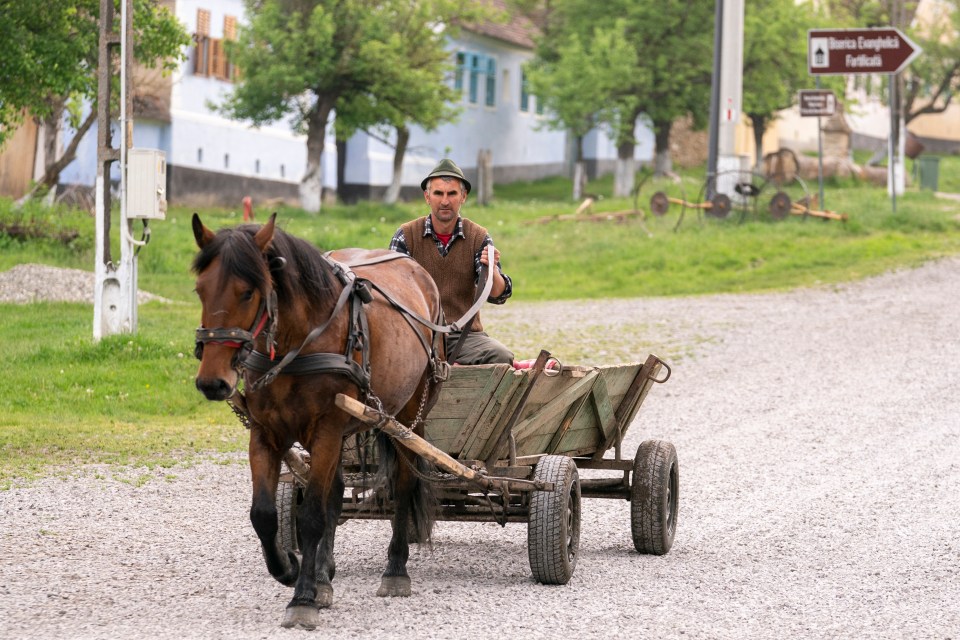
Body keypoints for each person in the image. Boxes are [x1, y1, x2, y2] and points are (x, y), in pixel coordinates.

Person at [389, 158, 514, 365]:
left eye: (452, 194)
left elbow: (497, 295)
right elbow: (392, 292)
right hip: (417, 333)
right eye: (438, 193)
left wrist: (492, 270)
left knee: (501, 356)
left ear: (463, 197)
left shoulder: (478, 237)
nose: (445, 201)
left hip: (464, 336)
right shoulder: (406, 236)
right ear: (427, 197)